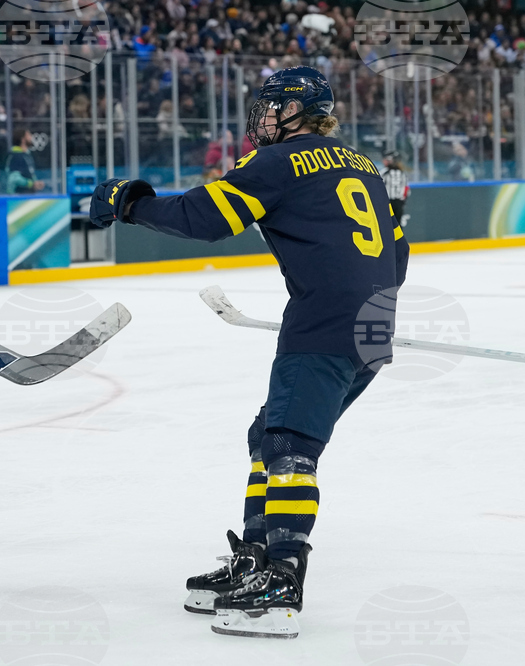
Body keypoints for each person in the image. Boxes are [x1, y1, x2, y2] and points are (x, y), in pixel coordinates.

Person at [88, 67, 409, 639]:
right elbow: (398, 251)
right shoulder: (361, 163)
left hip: (322, 326)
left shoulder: (279, 162)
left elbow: (204, 219)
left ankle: (283, 577)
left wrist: (132, 204)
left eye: (274, 107)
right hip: (371, 326)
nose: (263, 117)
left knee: (289, 447)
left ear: (301, 112)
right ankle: (254, 561)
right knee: (269, 435)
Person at [5, 127, 44, 194]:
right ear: (23, 139)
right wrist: (31, 184)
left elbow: (30, 173)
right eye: (29, 135)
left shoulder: (27, 155)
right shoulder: (15, 156)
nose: (31, 137)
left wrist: (36, 183)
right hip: (18, 198)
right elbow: (13, 178)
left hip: (28, 195)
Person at [381, 150, 410, 227]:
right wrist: (403, 200)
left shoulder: (384, 172)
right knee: (397, 225)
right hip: (398, 202)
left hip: (388, 202)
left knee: (388, 225)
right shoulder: (402, 173)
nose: (384, 161)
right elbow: (406, 189)